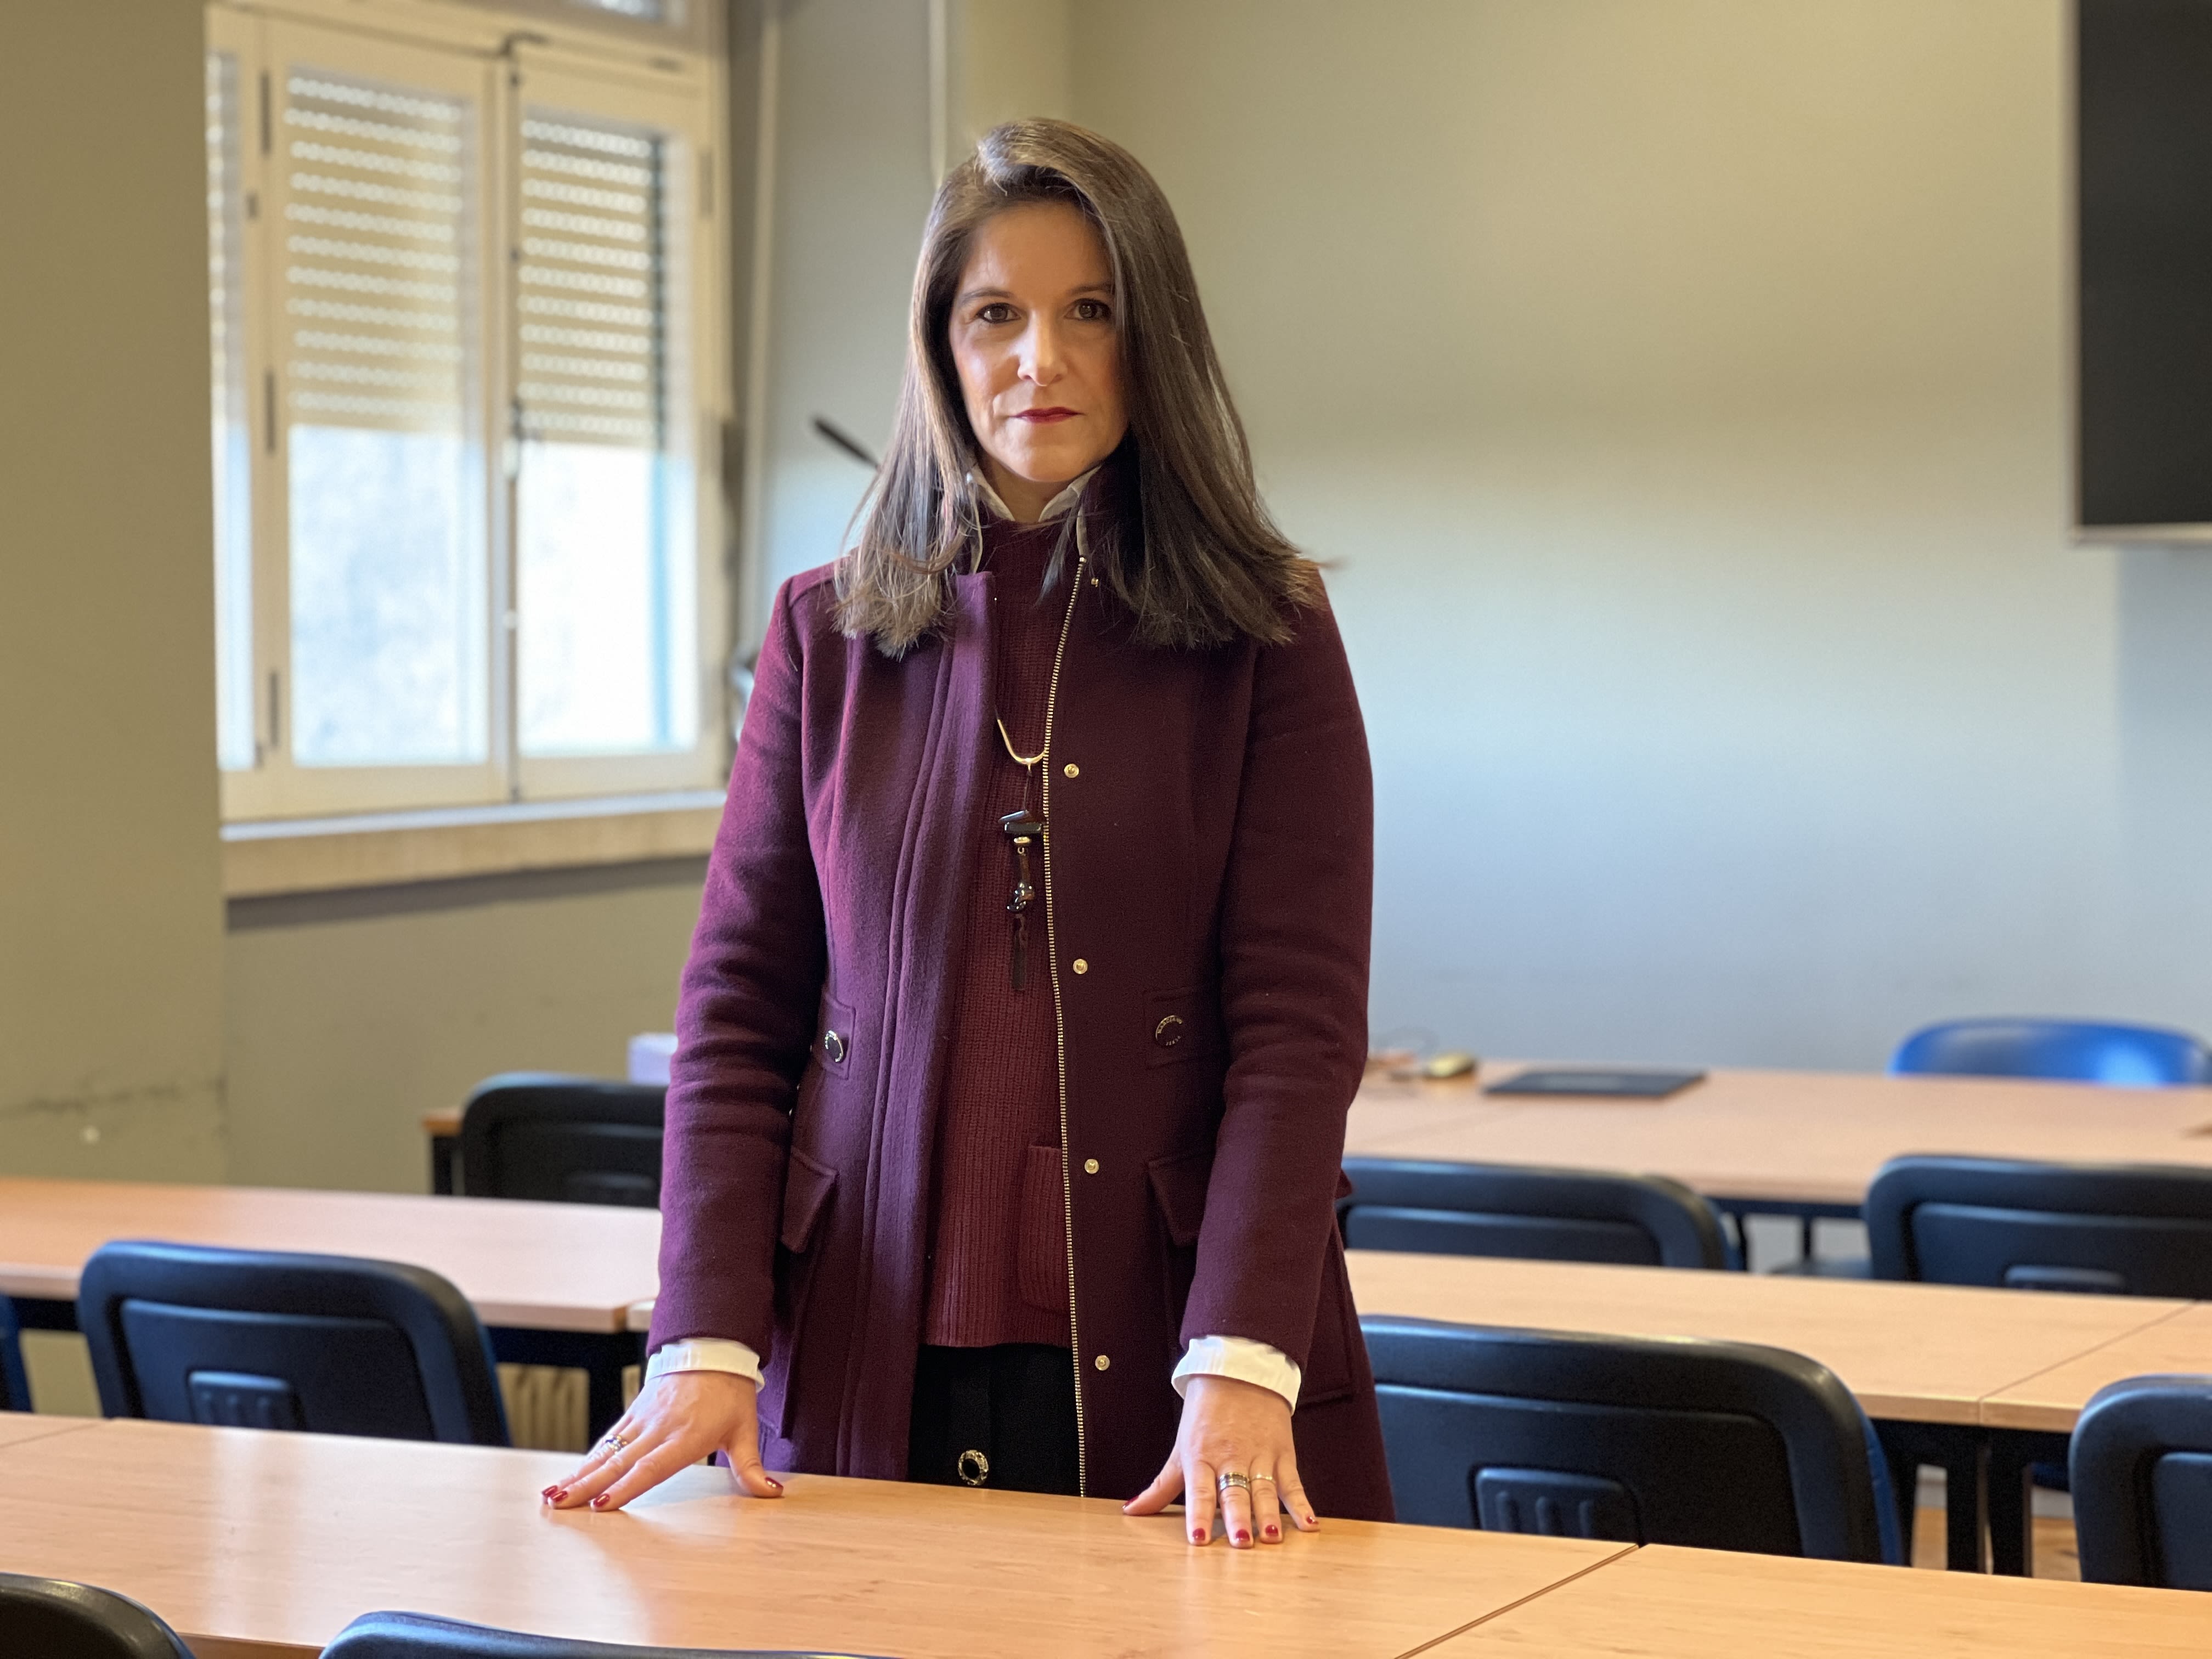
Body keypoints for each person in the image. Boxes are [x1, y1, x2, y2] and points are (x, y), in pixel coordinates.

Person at [546, 118, 1389, 1547]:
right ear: (941, 346)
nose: (1039, 359)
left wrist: (1246, 1356)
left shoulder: (1271, 632)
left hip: (1185, 1358)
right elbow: (737, 1013)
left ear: (1153, 338)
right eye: (995, 315)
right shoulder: (824, 634)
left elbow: (1297, 1034)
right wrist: (704, 1332)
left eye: (1090, 312)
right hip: (863, 1335)